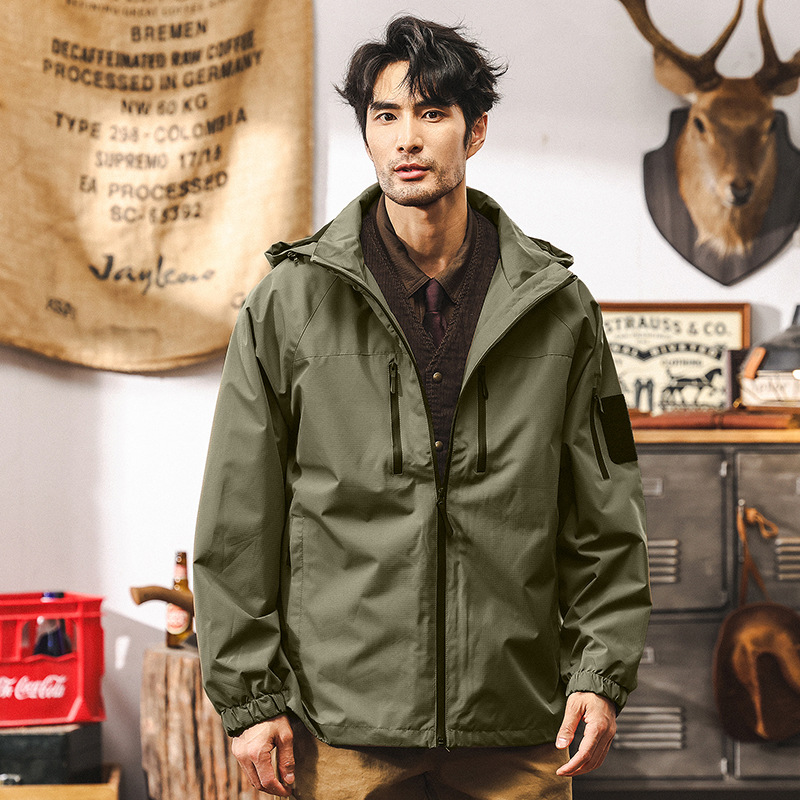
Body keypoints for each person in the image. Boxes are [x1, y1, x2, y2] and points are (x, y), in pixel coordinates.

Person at [194, 15, 651, 800]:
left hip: (517, 724)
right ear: (368, 135)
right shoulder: (290, 305)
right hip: (343, 727)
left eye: (432, 112)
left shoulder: (558, 308)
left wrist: (601, 672)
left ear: (475, 132)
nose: (407, 138)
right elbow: (239, 516)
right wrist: (250, 698)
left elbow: (604, 515)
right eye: (386, 116)